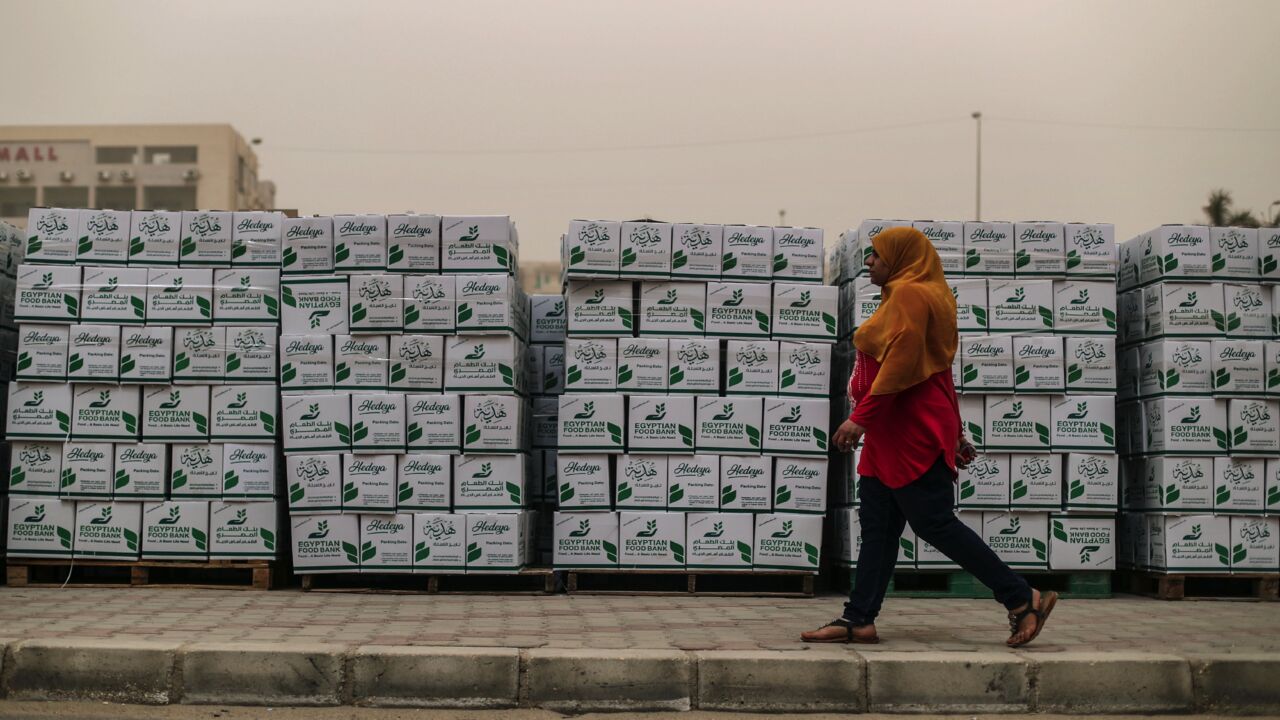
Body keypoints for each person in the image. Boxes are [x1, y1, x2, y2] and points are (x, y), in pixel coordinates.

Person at [801, 226, 1057, 647]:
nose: (869, 263)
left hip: (908, 434)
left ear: (900, 260)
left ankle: (1022, 597)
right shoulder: (918, 295)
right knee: (879, 530)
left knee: (934, 523)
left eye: (876, 257)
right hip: (893, 434)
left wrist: (860, 417)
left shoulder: (910, 296)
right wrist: (954, 431)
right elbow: (939, 373)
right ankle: (859, 619)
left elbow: (902, 365)